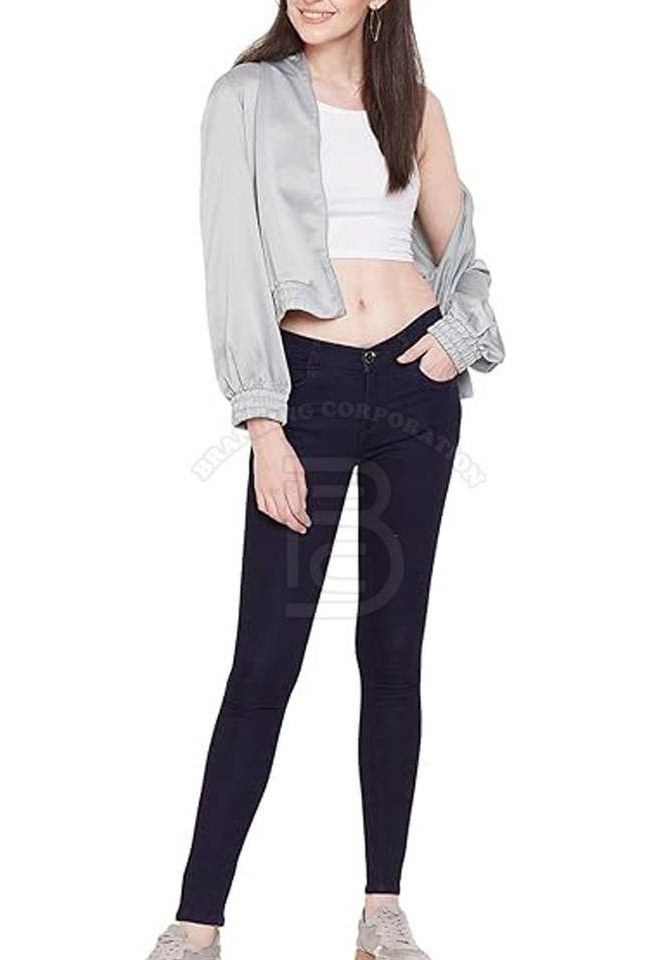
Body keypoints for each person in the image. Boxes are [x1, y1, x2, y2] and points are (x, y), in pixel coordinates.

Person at [145, 3, 504, 957]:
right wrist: (263, 421)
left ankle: (382, 911)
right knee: (266, 657)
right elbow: (232, 260)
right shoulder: (245, 97)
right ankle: (196, 924)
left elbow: (464, 259)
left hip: (416, 386)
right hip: (305, 389)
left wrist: (454, 342)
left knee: (393, 649)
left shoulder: (413, 103)